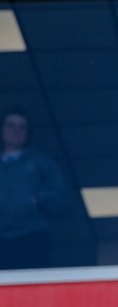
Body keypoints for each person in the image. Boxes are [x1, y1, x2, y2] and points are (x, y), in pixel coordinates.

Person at [0, 106, 70, 270]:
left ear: (28, 133)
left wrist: (37, 197)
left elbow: (62, 198)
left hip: (32, 234)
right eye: (11, 125)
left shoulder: (41, 162)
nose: (16, 131)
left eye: (22, 127)